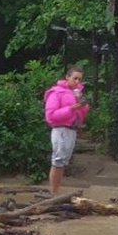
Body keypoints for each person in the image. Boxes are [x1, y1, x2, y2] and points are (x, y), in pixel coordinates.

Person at [44, 65, 90, 195]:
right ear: (67, 77)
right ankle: (53, 192)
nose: (77, 82)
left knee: (63, 161)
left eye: (80, 79)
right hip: (60, 129)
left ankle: (56, 191)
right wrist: (71, 108)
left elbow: (82, 113)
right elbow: (50, 116)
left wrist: (83, 106)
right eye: (75, 78)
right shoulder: (56, 92)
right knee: (58, 160)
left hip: (72, 129)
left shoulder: (77, 93)